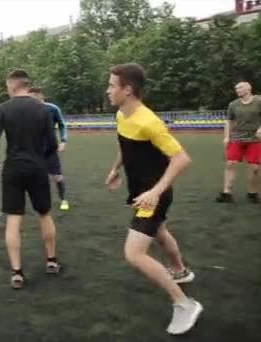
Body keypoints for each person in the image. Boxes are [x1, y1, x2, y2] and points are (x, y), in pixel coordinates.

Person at [104, 63, 202, 335]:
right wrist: (116, 169)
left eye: (112, 85)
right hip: (140, 192)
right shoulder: (122, 115)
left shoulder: (149, 121)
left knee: (134, 253)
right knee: (160, 233)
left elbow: (182, 159)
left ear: (128, 90)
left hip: (153, 195)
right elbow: (125, 144)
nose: (108, 90)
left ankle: (184, 304)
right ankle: (180, 271)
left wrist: (155, 192)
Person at [0, 69, 60, 289]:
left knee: (14, 219)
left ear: (14, 85)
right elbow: (53, 145)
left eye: (7, 86)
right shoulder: (44, 109)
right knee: (45, 214)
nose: (7, 89)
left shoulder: (3, 109)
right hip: (37, 168)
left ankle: (17, 273)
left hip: (13, 169)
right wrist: (41, 160)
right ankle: (51, 261)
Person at [216, 81, 261, 204]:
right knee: (230, 164)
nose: (237, 90)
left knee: (255, 168)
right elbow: (228, 122)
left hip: (255, 139)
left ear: (248, 88)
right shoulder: (233, 105)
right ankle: (226, 193)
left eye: (240, 87)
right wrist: (226, 137)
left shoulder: (258, 101)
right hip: (237, 138)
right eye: (236, 88)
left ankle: (252, 193)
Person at [29, 86, 70, 210]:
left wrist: (63, 141)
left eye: (35, 96)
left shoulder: (52, 108)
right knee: (35, 177)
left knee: (57, 177)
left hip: (50, 150)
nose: (33, 99)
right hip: (34, 150)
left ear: (41, 96)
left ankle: (63, 200)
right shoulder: (27, 110)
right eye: (31, 96)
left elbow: (62, 125)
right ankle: (39, 200)